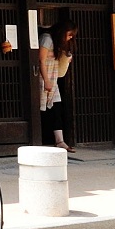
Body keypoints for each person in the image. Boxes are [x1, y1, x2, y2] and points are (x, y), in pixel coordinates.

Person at [39, 15, 77, 151]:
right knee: (41, 109)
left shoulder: (56, 42)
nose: (71, 37)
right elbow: (41, 60)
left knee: (56, 109)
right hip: (43, 79)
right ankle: (38, 139)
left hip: (53, 79)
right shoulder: (47, 38)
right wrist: (46, 80)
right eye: (69, 34)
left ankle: (59, 141)